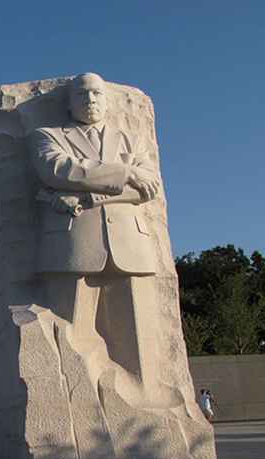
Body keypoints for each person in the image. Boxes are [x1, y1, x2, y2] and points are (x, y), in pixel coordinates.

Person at [30, 72, 168, 401]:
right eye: (82, 95)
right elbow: (59, 170)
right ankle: (80, 402)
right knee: (72, 332)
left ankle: (145, 400)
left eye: (96, 94)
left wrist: (90, 196)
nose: (90, 100)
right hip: (75, 243)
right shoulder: (46, 136)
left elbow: (147, 188)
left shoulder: (131, 139)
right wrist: (126, 173)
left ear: (106, 100)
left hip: (130, 244)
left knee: (139, 338)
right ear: (68, 103)